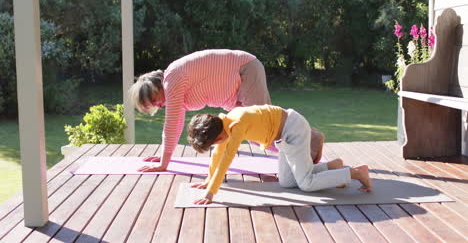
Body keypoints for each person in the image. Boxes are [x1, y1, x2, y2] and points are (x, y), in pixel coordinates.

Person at [186, 105, 373, 205]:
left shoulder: (236, 125)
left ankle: (356, 173)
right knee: (287, 182)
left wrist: (211, 193)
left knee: (306, 184)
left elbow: (226, 159)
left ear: (218, 136)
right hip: (284, 137)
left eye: (213, 143)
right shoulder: (223, 124)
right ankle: (333, 167)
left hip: (294, 130)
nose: (216, 146)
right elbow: (219, 153)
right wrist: (209, 180)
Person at [128, 49, 271, 172]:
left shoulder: (172, 81)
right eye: (153, 105)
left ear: (157, 86)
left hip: (246, 70)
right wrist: (165, 156)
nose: (158, 106)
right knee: (254, 133)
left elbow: (171, 123)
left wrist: (163, 164)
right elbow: (177, 124)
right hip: (241, 78)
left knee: (264, 128)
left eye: (154, 100)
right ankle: (288, 150)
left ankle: (290, 150)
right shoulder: (174, 82)